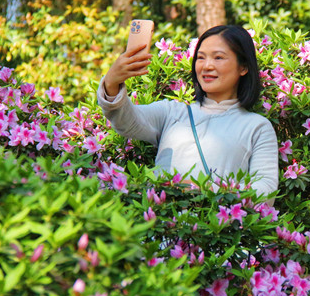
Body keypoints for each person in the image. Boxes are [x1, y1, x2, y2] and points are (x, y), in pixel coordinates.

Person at [97, 25, 279, 197]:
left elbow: (265, 190)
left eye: (218, 57)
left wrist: (200, 188)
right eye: (201, 57)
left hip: (218, 228)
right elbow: (126, 122)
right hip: (164, 228)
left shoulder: (257, 127)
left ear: (243, 67)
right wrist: (112, 83)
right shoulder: (172, 112)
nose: (206, 66)